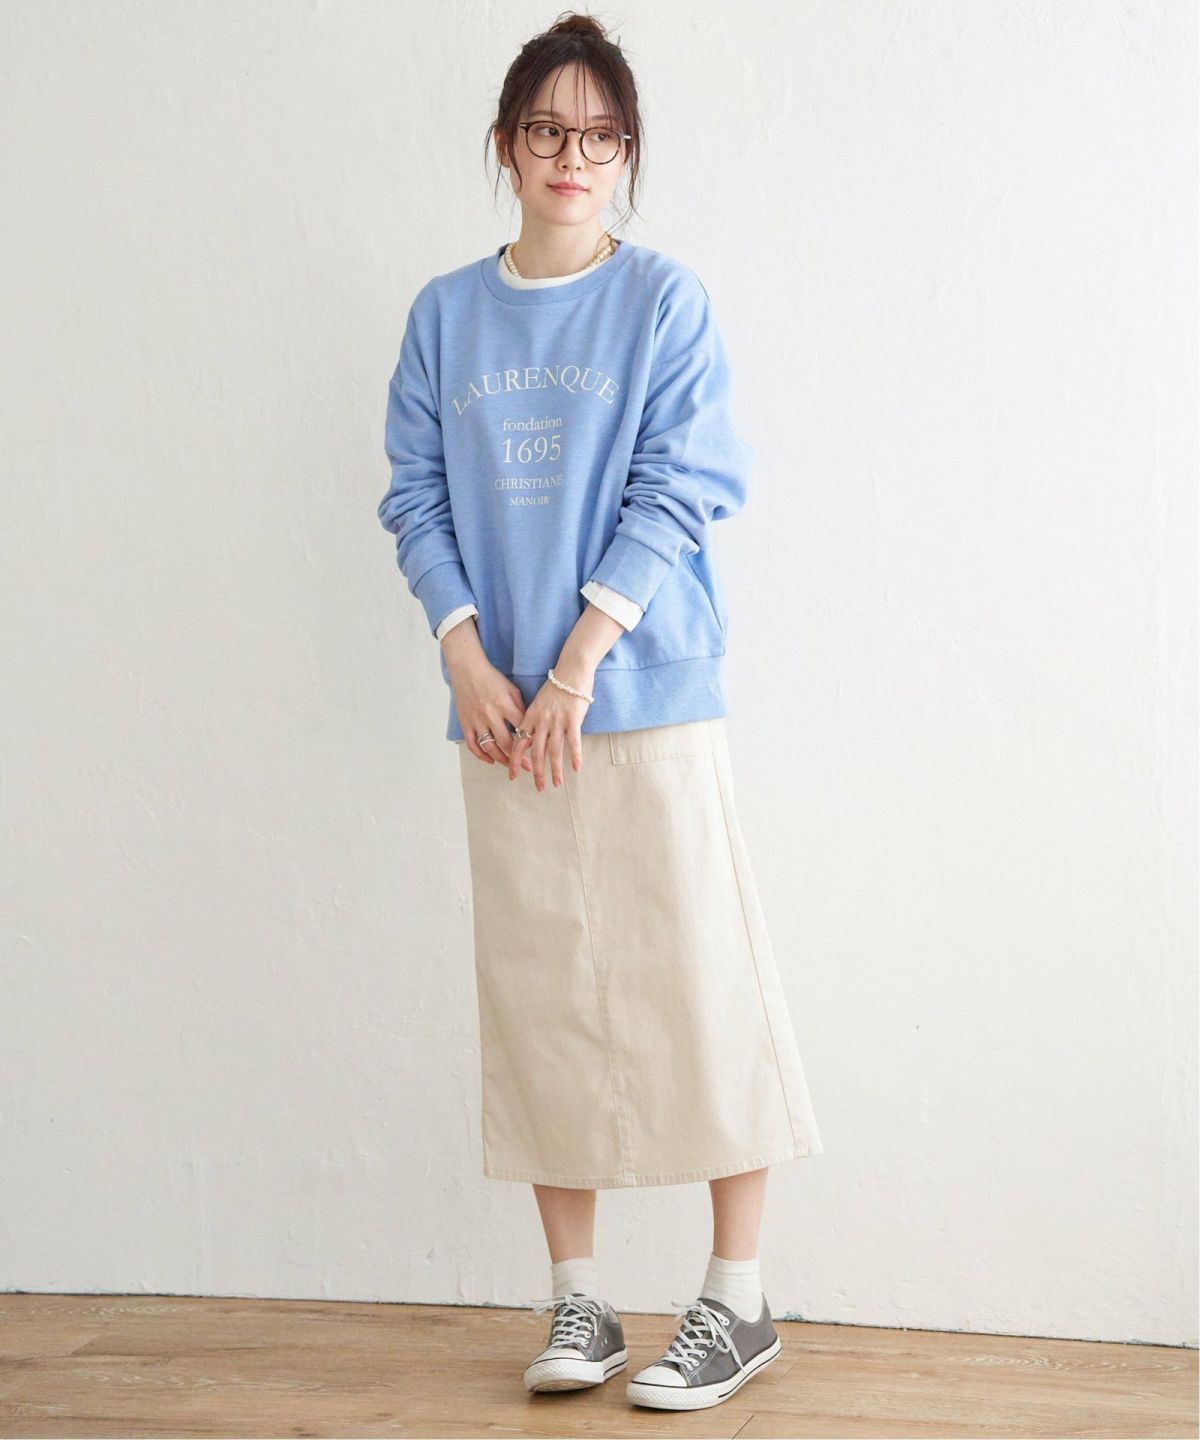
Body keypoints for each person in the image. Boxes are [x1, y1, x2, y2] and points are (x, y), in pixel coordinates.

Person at [377, 11, 824, 1413]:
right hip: (503, 711)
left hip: (639, 688)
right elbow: (415, 493)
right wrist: (462, 649)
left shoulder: (663, 303)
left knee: (699, 979)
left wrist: (579, 660)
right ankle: (580, 1298)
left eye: (601, 134)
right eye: (548, 130)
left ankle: (736, 1298)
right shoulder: (445, 315)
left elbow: (685, 485)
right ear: (507, 146)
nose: (574, 156)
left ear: (627, 153)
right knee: (542, 993)